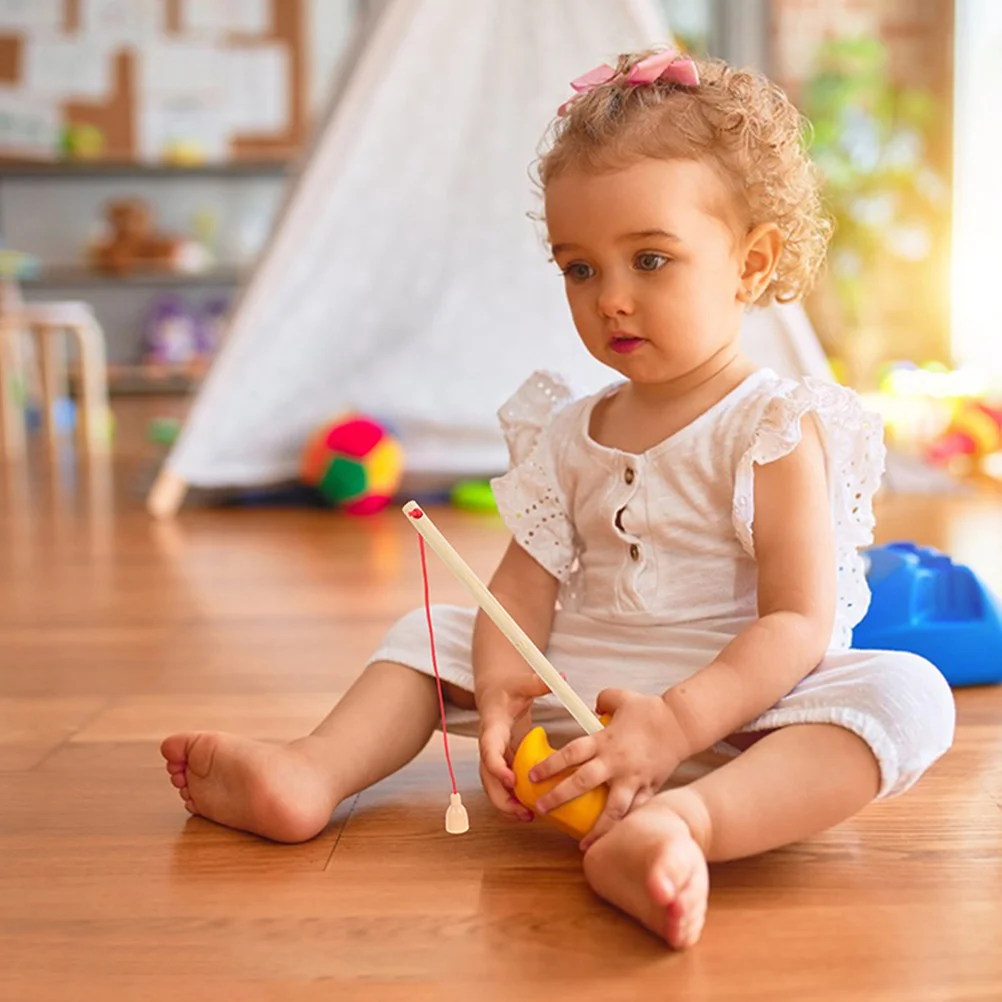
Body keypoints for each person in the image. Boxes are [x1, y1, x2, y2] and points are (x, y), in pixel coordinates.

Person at [162, 48, 955, 949]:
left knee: (907, 691)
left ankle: (685, 826)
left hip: (741, 715)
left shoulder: (774, 425)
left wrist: (679, 722)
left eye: (650, 260)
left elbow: (798, 623)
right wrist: (502, 687)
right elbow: (523, 586)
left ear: (750, 261)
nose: (610, 299)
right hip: (578, 697)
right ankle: (312, 771)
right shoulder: (568, 429)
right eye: (579, 269)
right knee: (433, 634)